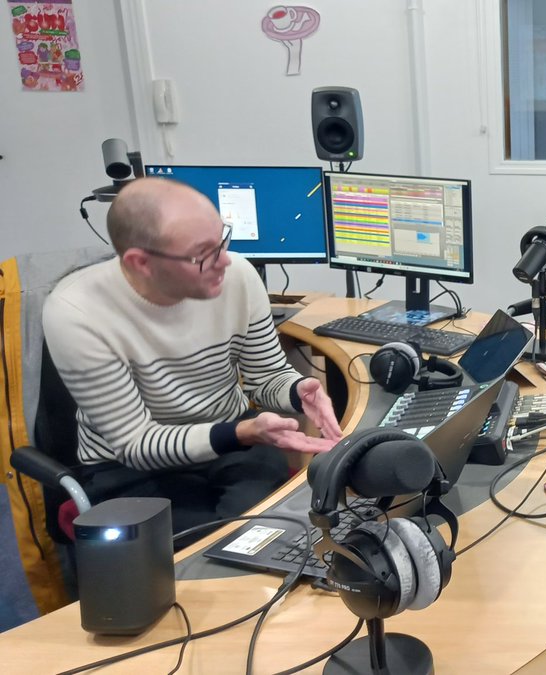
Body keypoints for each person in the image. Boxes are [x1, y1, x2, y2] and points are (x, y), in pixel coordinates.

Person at [43, 177, 342, 540]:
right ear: (141, 263)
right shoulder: (76, 311)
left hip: (232, 440)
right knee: (203, 551)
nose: (225, 261)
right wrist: (241, 432)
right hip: (128, 465)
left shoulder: (238, 277)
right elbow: (136, 445)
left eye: (222, 239)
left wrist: (298, 390)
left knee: (271, 533)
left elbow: (267, 376)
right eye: (203, 254)